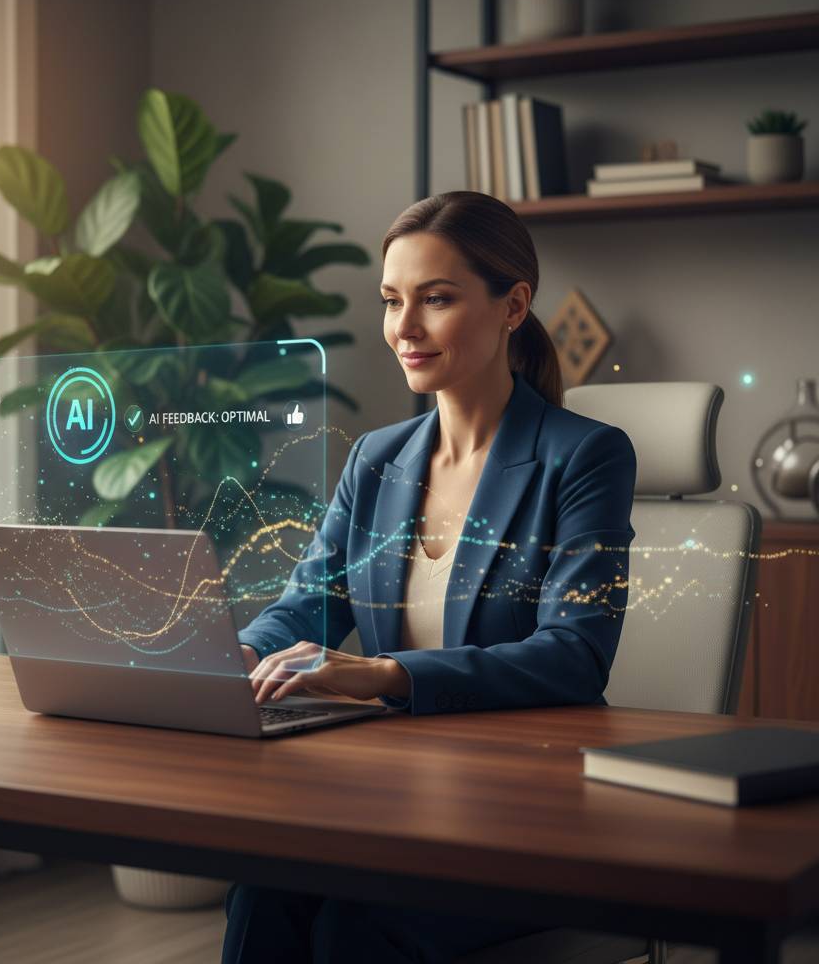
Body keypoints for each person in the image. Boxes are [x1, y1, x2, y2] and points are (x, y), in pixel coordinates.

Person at [222, 191, 637, 964]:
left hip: (525, 810)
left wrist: (383, 674)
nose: (403, 329)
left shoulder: (584, 456)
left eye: (435, 300)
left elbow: (575, 653)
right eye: (391, 302)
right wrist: (235, 658)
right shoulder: (377, 460)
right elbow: (306, 606)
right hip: (396, 800)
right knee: (262, 892)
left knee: (354, 927)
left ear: (513, 305)